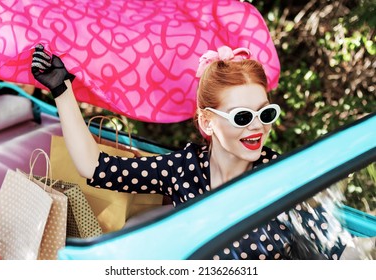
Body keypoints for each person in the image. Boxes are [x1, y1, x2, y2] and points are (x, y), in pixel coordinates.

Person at [31, 44, 352, 260]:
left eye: (265, 114)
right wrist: (62, 90)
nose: (258, 128)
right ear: (208, 123)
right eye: (242, 117)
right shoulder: (184, 169)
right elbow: (95, 167)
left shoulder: (282, 177)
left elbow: (341, 251)